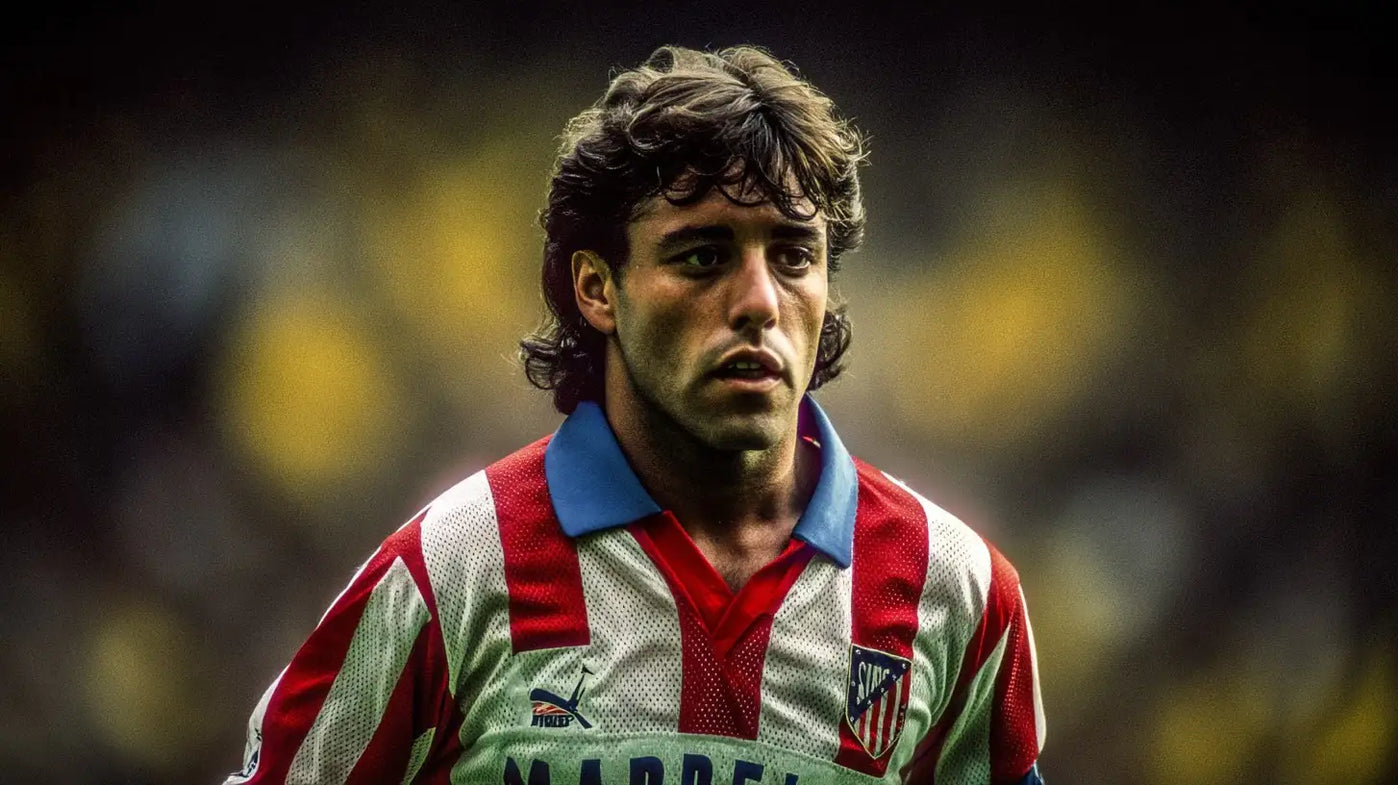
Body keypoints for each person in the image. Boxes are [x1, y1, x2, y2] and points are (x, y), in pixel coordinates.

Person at [224, 44, 1046, 785]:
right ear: (596, 287)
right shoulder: (457, 569)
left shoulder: (957, 591)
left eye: (795, 254)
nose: (761, 300)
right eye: (703, 255)